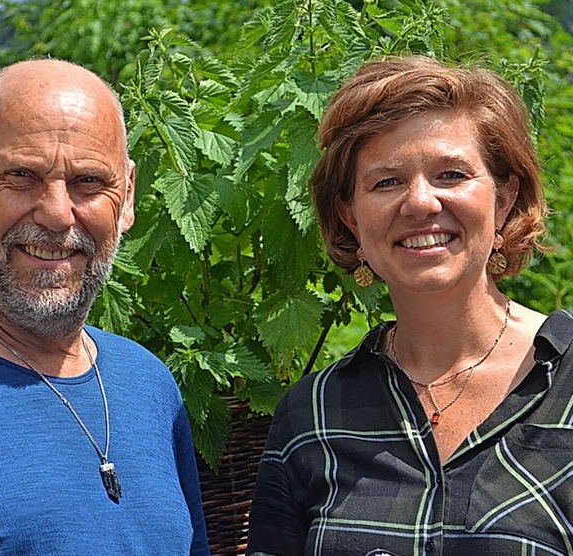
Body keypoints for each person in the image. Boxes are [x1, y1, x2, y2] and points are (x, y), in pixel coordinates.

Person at [246, 55, 573, 555]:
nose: (420, 202)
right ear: (350, 216)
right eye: (386, 182)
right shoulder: (311, 414)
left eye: (450, 174)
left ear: (504, 199)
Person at [0, 59, 209, 555]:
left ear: (126, 198)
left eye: (88, 182)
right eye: (21, 176)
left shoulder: (147, 383)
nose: (58, 214)